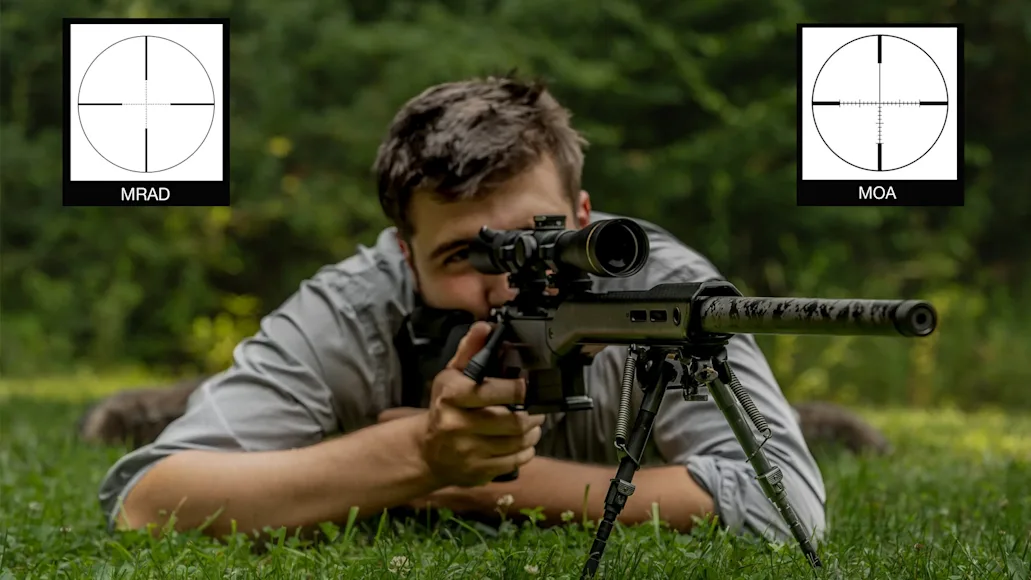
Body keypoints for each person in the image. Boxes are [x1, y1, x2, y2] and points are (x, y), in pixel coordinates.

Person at [96, 75, 828, 546]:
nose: (512, 285)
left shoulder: (659, 287)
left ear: (582, 214)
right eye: (465, 258)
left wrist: (492, 484)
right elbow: (149, 499)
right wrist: (417, 454)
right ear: (403, 254)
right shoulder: (357, 304)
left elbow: (786, 501)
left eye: (539, 241)